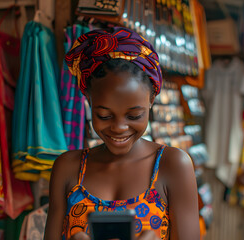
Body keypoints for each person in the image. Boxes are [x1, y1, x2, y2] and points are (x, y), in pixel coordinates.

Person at [44, 27, 200, 240]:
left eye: (134, 116)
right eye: (104, 115)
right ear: (89, 101)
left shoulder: (173, 165)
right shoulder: (67, 167)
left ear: (152, 100)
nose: (119, 127)